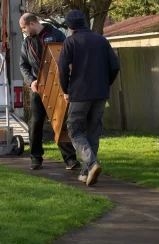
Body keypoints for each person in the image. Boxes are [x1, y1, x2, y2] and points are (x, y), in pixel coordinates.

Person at [58, 10, 120, 186]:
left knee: (74, 129)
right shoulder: (101, 40)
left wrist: (66, 90)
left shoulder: (70, 42)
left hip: (79, 94)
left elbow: (62, 69)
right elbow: (115, 66)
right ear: (85, 23)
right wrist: (105, 84)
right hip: (100, 93)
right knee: (94, 131)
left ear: (70, 27)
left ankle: (92, 164)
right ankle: (86, 173)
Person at [19, 13, 80, 170]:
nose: (23, 31)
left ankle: (70, 159)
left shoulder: (56, 34)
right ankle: (35, 158)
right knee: (35, 122)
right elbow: (23, 65)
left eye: (24, 27)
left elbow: (68, 55)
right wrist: (31, 81)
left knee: (60, 120)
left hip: (59, 85)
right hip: (38, 88)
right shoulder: (26, 43)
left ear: (32, 24)